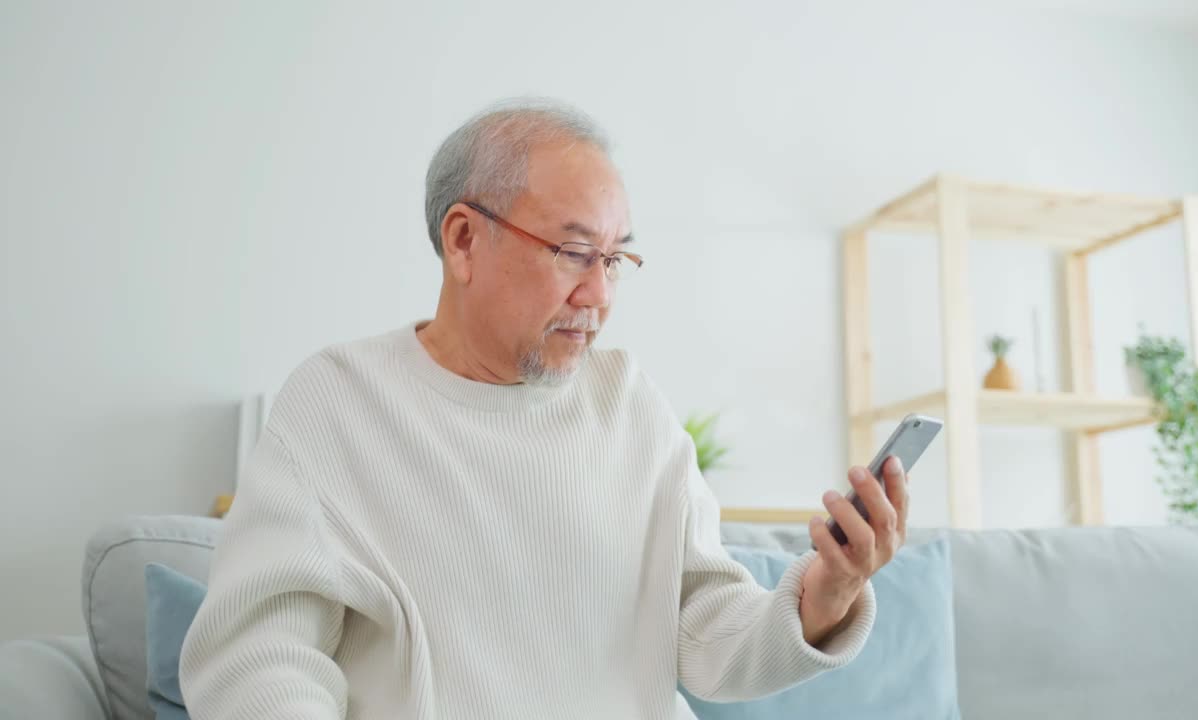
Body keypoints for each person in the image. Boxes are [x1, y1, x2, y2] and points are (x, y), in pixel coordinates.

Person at [179, 98, 910, 719]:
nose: (599, 296)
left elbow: (707, 635)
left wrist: (826, 593)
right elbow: (255, 663)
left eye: (615, 259)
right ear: (463, 241)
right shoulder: (339, 405)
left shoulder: (628, 406)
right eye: (572, 253)